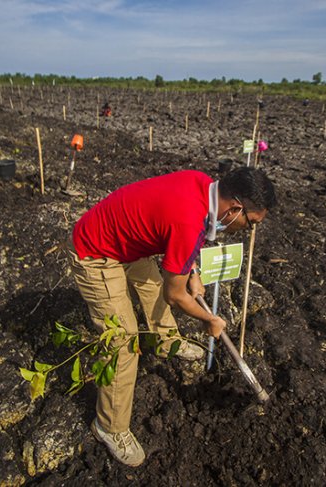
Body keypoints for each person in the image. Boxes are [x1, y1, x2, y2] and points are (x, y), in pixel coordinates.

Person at [64, 167, 277, 467]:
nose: (248, 229)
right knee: (123, 343)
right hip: (95, 253)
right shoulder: (189, 221)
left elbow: (176, 236)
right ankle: (109, 427)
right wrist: (209, 318)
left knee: (152, 287)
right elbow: (175, 295)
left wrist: (192, 271)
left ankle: (167, 342)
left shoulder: (203, 185)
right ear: (235, 208)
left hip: (125, 241)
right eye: (250, 222)